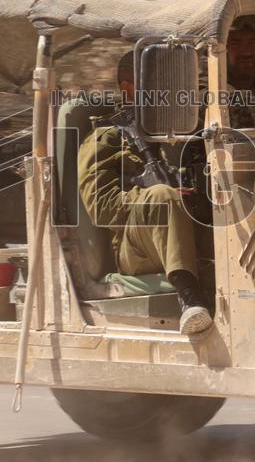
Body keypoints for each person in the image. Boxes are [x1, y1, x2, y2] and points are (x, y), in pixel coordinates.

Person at [77, 52, 212, 335]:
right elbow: (103, 208)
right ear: (129, 89)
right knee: (162, 196)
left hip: (194, 225)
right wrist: (150, 194)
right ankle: (189, 297)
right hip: (137, 246)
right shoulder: (107, 138)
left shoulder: (192, 132)